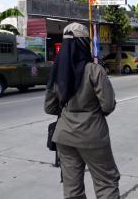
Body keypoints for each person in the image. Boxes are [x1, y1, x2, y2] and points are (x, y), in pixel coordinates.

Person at [44, 23, 120, 199]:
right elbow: (108, 105)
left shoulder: (56, 71)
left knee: (72, 189)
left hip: (64, 137)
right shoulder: (95, 70)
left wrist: (68, 112)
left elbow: (49, 107)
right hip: (93, 135)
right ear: (84, 43)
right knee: (106, 183)